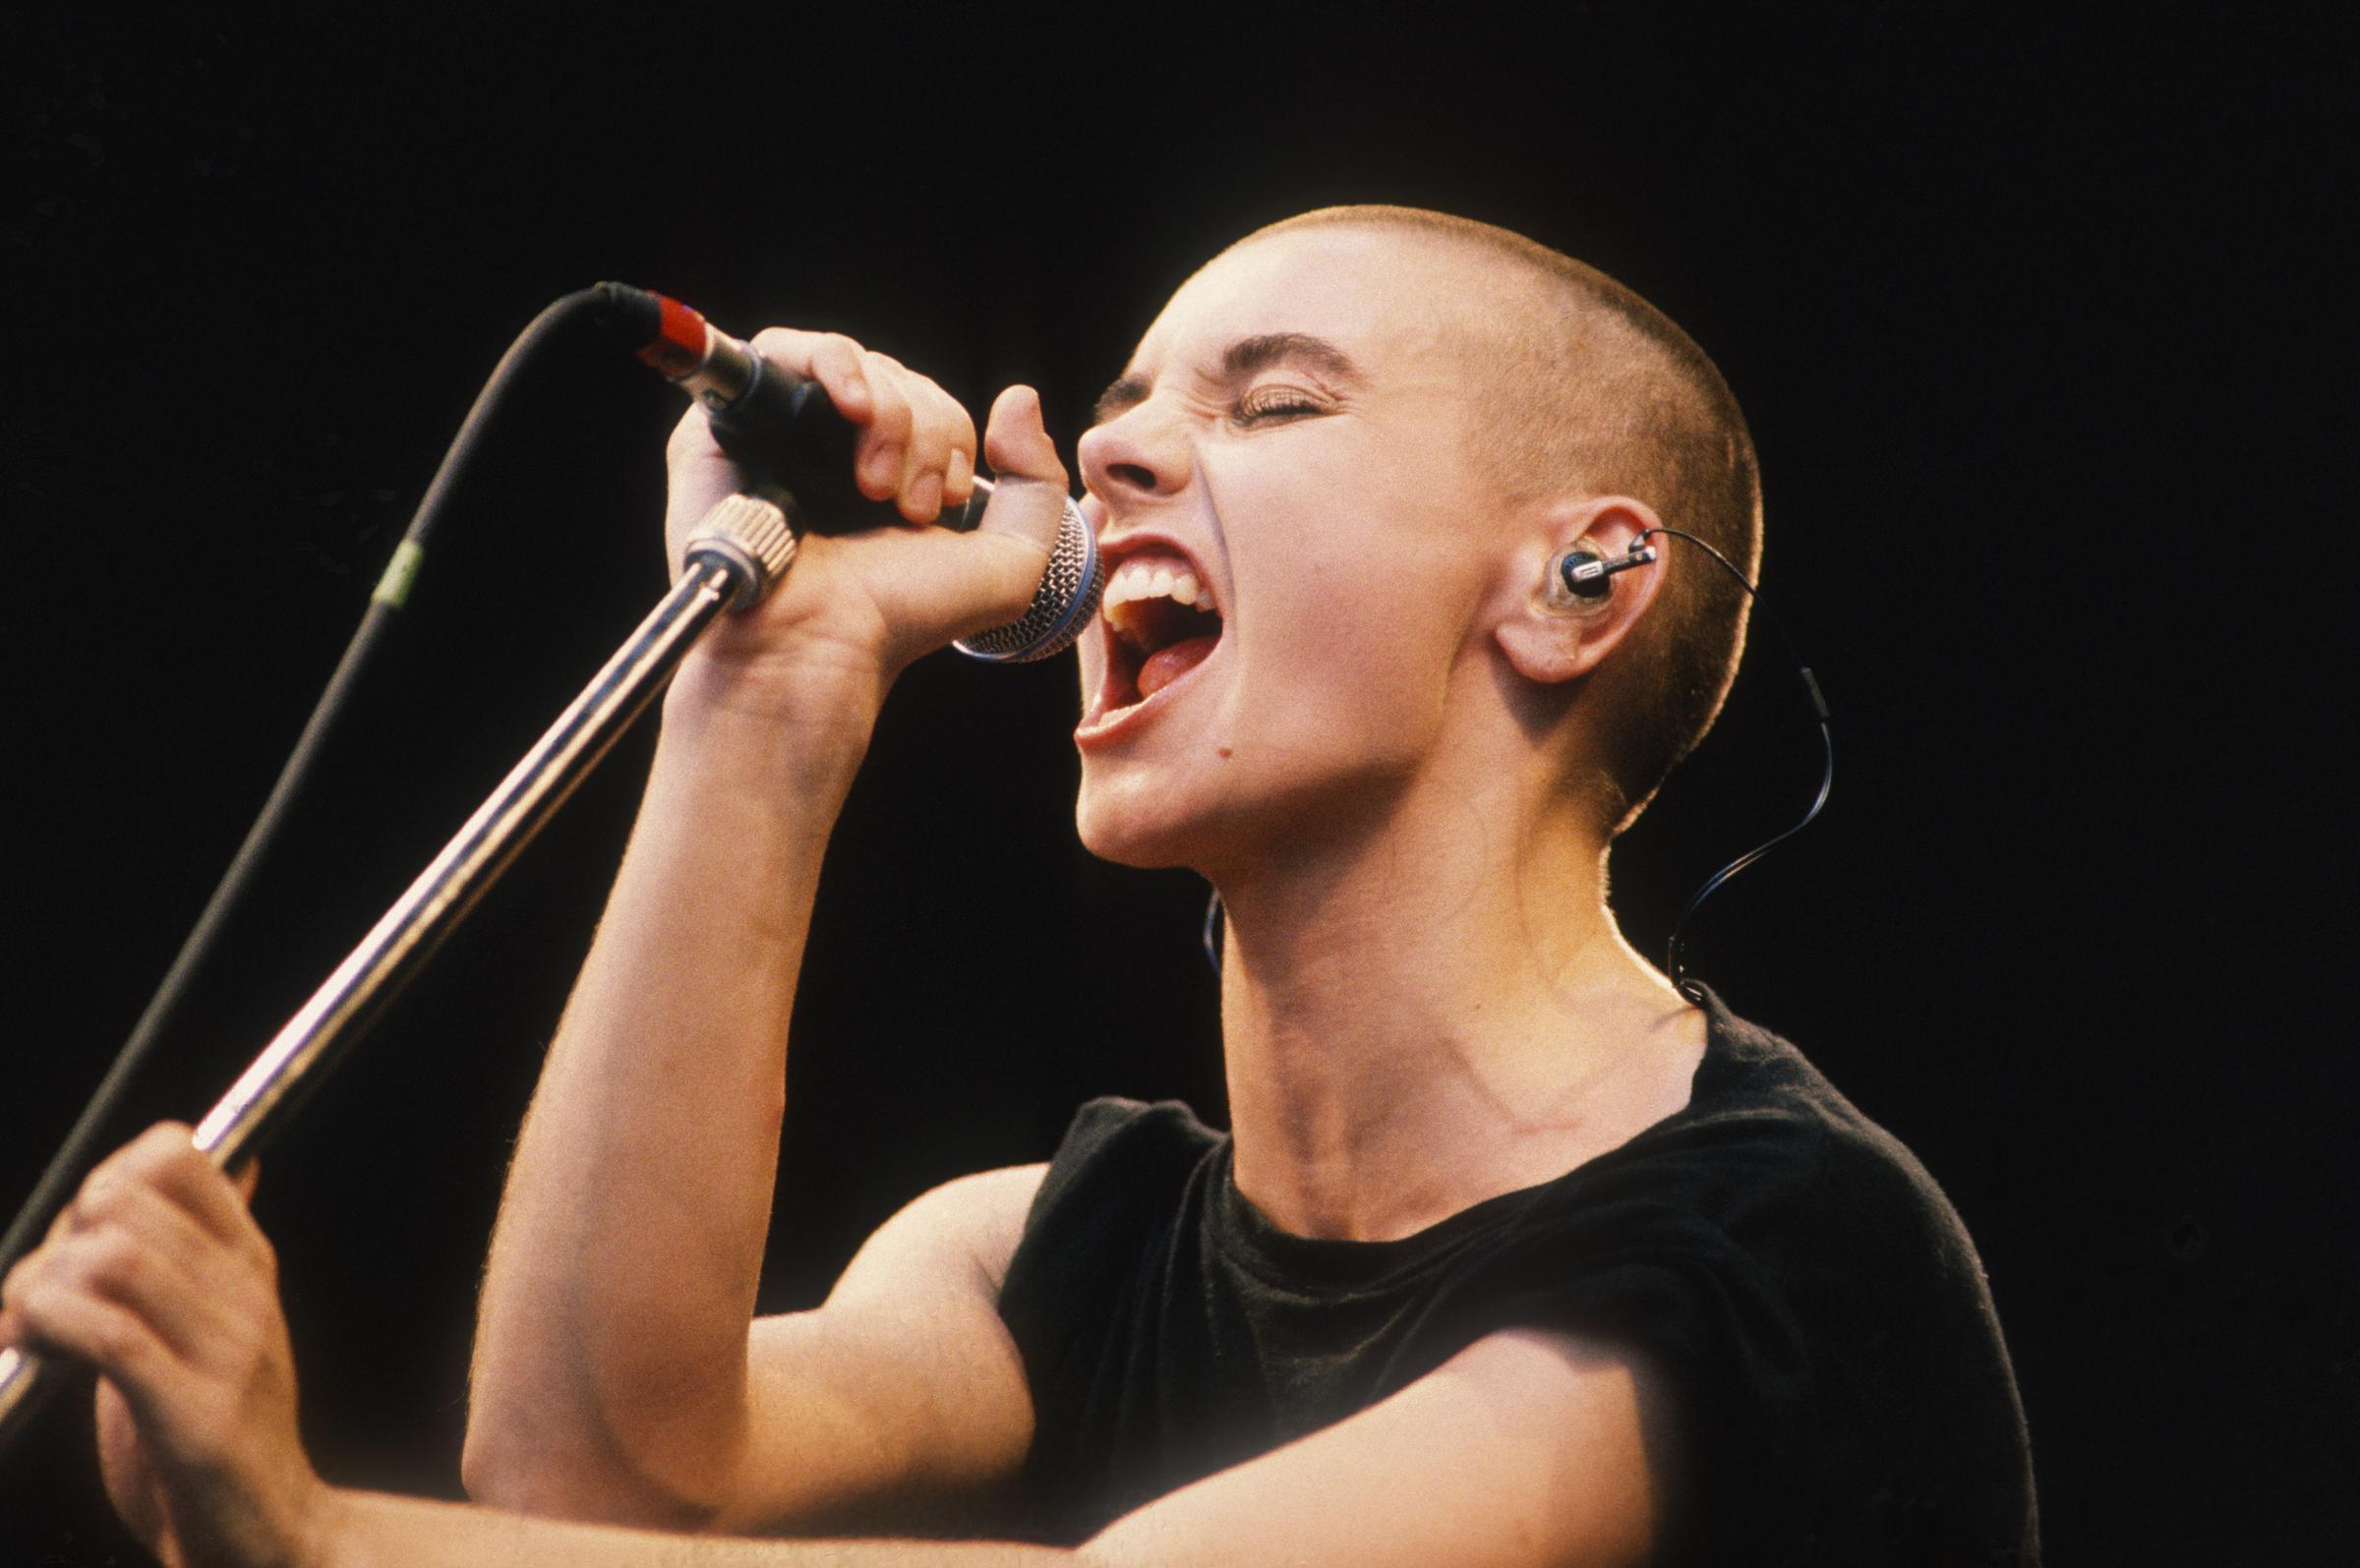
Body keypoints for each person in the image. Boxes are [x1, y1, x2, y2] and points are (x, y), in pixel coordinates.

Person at [0, 206, 2038, 1566]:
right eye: (1133, 400)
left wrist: (317, 1535)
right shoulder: (1061, 1247)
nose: (1118, 452)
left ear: (1580, 582)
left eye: (1271, 402)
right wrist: (774, 689)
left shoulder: (1778, 1249)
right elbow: (603, 1476)